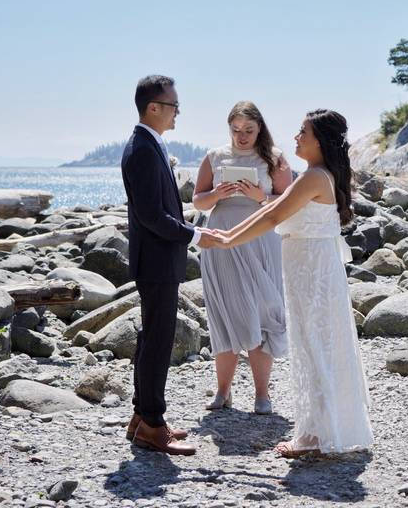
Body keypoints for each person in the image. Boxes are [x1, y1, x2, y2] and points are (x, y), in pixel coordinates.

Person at [212, 109, 373, 458]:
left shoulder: (314, 176)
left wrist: (226, 240)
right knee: (318, 345)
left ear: (321, 141)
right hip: (313, 269)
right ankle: (322, 430)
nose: (296, 137)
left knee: (314, 346)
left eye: (303, 132)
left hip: (311, 273)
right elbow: (272, 206)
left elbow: (272, 216)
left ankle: (315, 438)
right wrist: (227, 234)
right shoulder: (320, 175)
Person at [120, 75, 220, 456]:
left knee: (152, 337)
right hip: (156, 260)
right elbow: (151, 215)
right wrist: (196, 235)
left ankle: (141, 417)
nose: (178, 112)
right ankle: (152, 424)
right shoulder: (142, 149)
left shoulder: (150, 144)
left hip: (159, 258)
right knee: (158, 340)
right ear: (154, 108)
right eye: (174, 105)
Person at [193, 101, 293, 414]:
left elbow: (289, 202)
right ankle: (223, 391)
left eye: (248, 130)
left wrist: (259, 197)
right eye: (236, 130)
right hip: (221, 235)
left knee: (262, 310)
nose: (242, 136)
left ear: (260, 128)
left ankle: (262, 395)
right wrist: (217, 195)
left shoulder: (275, 158)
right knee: (224, 312)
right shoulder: (215, 156)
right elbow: (198, 201)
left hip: (261, 238)